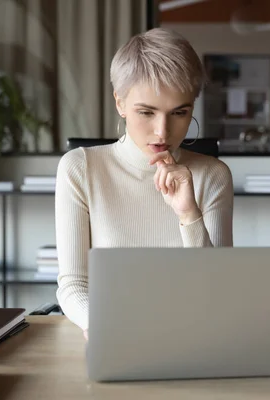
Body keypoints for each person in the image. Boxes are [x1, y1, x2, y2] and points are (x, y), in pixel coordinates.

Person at [54, 28, 234, 340]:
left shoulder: (213, 175)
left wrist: (189, 215)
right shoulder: (80, 168)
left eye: (180, 112)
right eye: (146, 112)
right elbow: (73, 285)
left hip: (192, 338)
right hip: (110, 334)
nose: (162, 132)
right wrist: (100, 324)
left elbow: (218, 292)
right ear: (120, 103)